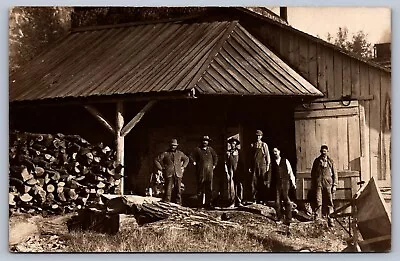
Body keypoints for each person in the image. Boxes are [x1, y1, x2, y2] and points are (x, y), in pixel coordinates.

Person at [154, 138, 189, 205]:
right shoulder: (165, 153)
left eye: (175, 145)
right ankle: (167, 204)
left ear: (177, 146)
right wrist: (161, 168)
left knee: (178, 190)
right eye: (172, 145)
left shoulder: (180, 153)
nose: (173, 147)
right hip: (169, 174)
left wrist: (183, 167)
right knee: (168, 190)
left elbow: (187, 159)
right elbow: (156, 160)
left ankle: (178, 205)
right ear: (170, 145)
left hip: (178, 174)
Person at [311, 145, 337, 227]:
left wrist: (335, 185)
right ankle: (318, 219)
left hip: (328, 184)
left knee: (329, 201)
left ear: (327, 151)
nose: (323, 153)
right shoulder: (317, 161)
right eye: (322, 151)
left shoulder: (331, 162)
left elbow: (335, 174)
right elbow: (312, 173)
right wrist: (314, 183)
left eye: (325, 151)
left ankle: (331, 218)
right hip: (319, 183)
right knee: (319, 200)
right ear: (320, 151)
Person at [191, 135, 218, 209]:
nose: (205, 142)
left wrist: (214, 165)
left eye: (206, 141)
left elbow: (215, 157)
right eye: (203, 141)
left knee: (209, 188)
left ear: (208, 142)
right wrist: (194, 162)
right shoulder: (197, 149)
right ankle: (200, 205)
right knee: (200, 188)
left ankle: (208, 204)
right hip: (201, 172)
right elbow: (191, 156)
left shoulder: (210, 150)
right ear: (201, 141)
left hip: (209, 172)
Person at [270, 146, 296, 225]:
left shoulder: (285, 161)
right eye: (273, 152)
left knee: (286, 200)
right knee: (277, 202)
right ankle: (280, 218)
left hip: (285, 183)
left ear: (279, 151)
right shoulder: (272, 163)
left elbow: (290, 172)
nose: (275, 153)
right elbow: (270, 174)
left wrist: (293, 183)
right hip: (277, 184)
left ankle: (289, 218)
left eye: (276, 151)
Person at [249, 130, 271, 204]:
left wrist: (267, 166)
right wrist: (250, 166)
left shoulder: (264, 145)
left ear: (261, 136)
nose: (258, 137)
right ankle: (255, 199)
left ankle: (264, 199)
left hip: (262, 166)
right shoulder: (253, 145)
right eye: (257, 136)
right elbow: (251, 157)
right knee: (254, 182)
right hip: (255, 166)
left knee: (263, 182)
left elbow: (267, 156)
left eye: (259, 136)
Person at [225, 137, 243, 207]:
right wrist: (227, 171)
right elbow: (225, 162)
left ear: (236, 144)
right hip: (231, 171)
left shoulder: (239, 152)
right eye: (232, 143)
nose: (233, 145)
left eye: (234, 143)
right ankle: (232, 202)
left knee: (239, 186)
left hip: (238, 171)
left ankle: (239, 201)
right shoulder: (228, 152)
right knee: (231, 186)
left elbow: (242, 162)